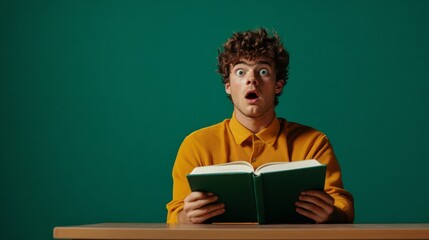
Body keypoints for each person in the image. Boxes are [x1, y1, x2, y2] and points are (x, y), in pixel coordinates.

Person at [166, 28, 354, 224]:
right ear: (228, 85)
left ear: (278, 85)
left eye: (263, 71)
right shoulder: (196, 145)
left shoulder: (314, 143)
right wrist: (187, 216)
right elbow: (175, 215)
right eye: (240, 71)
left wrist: (331, 213)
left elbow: (343, 205)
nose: (252, 79)